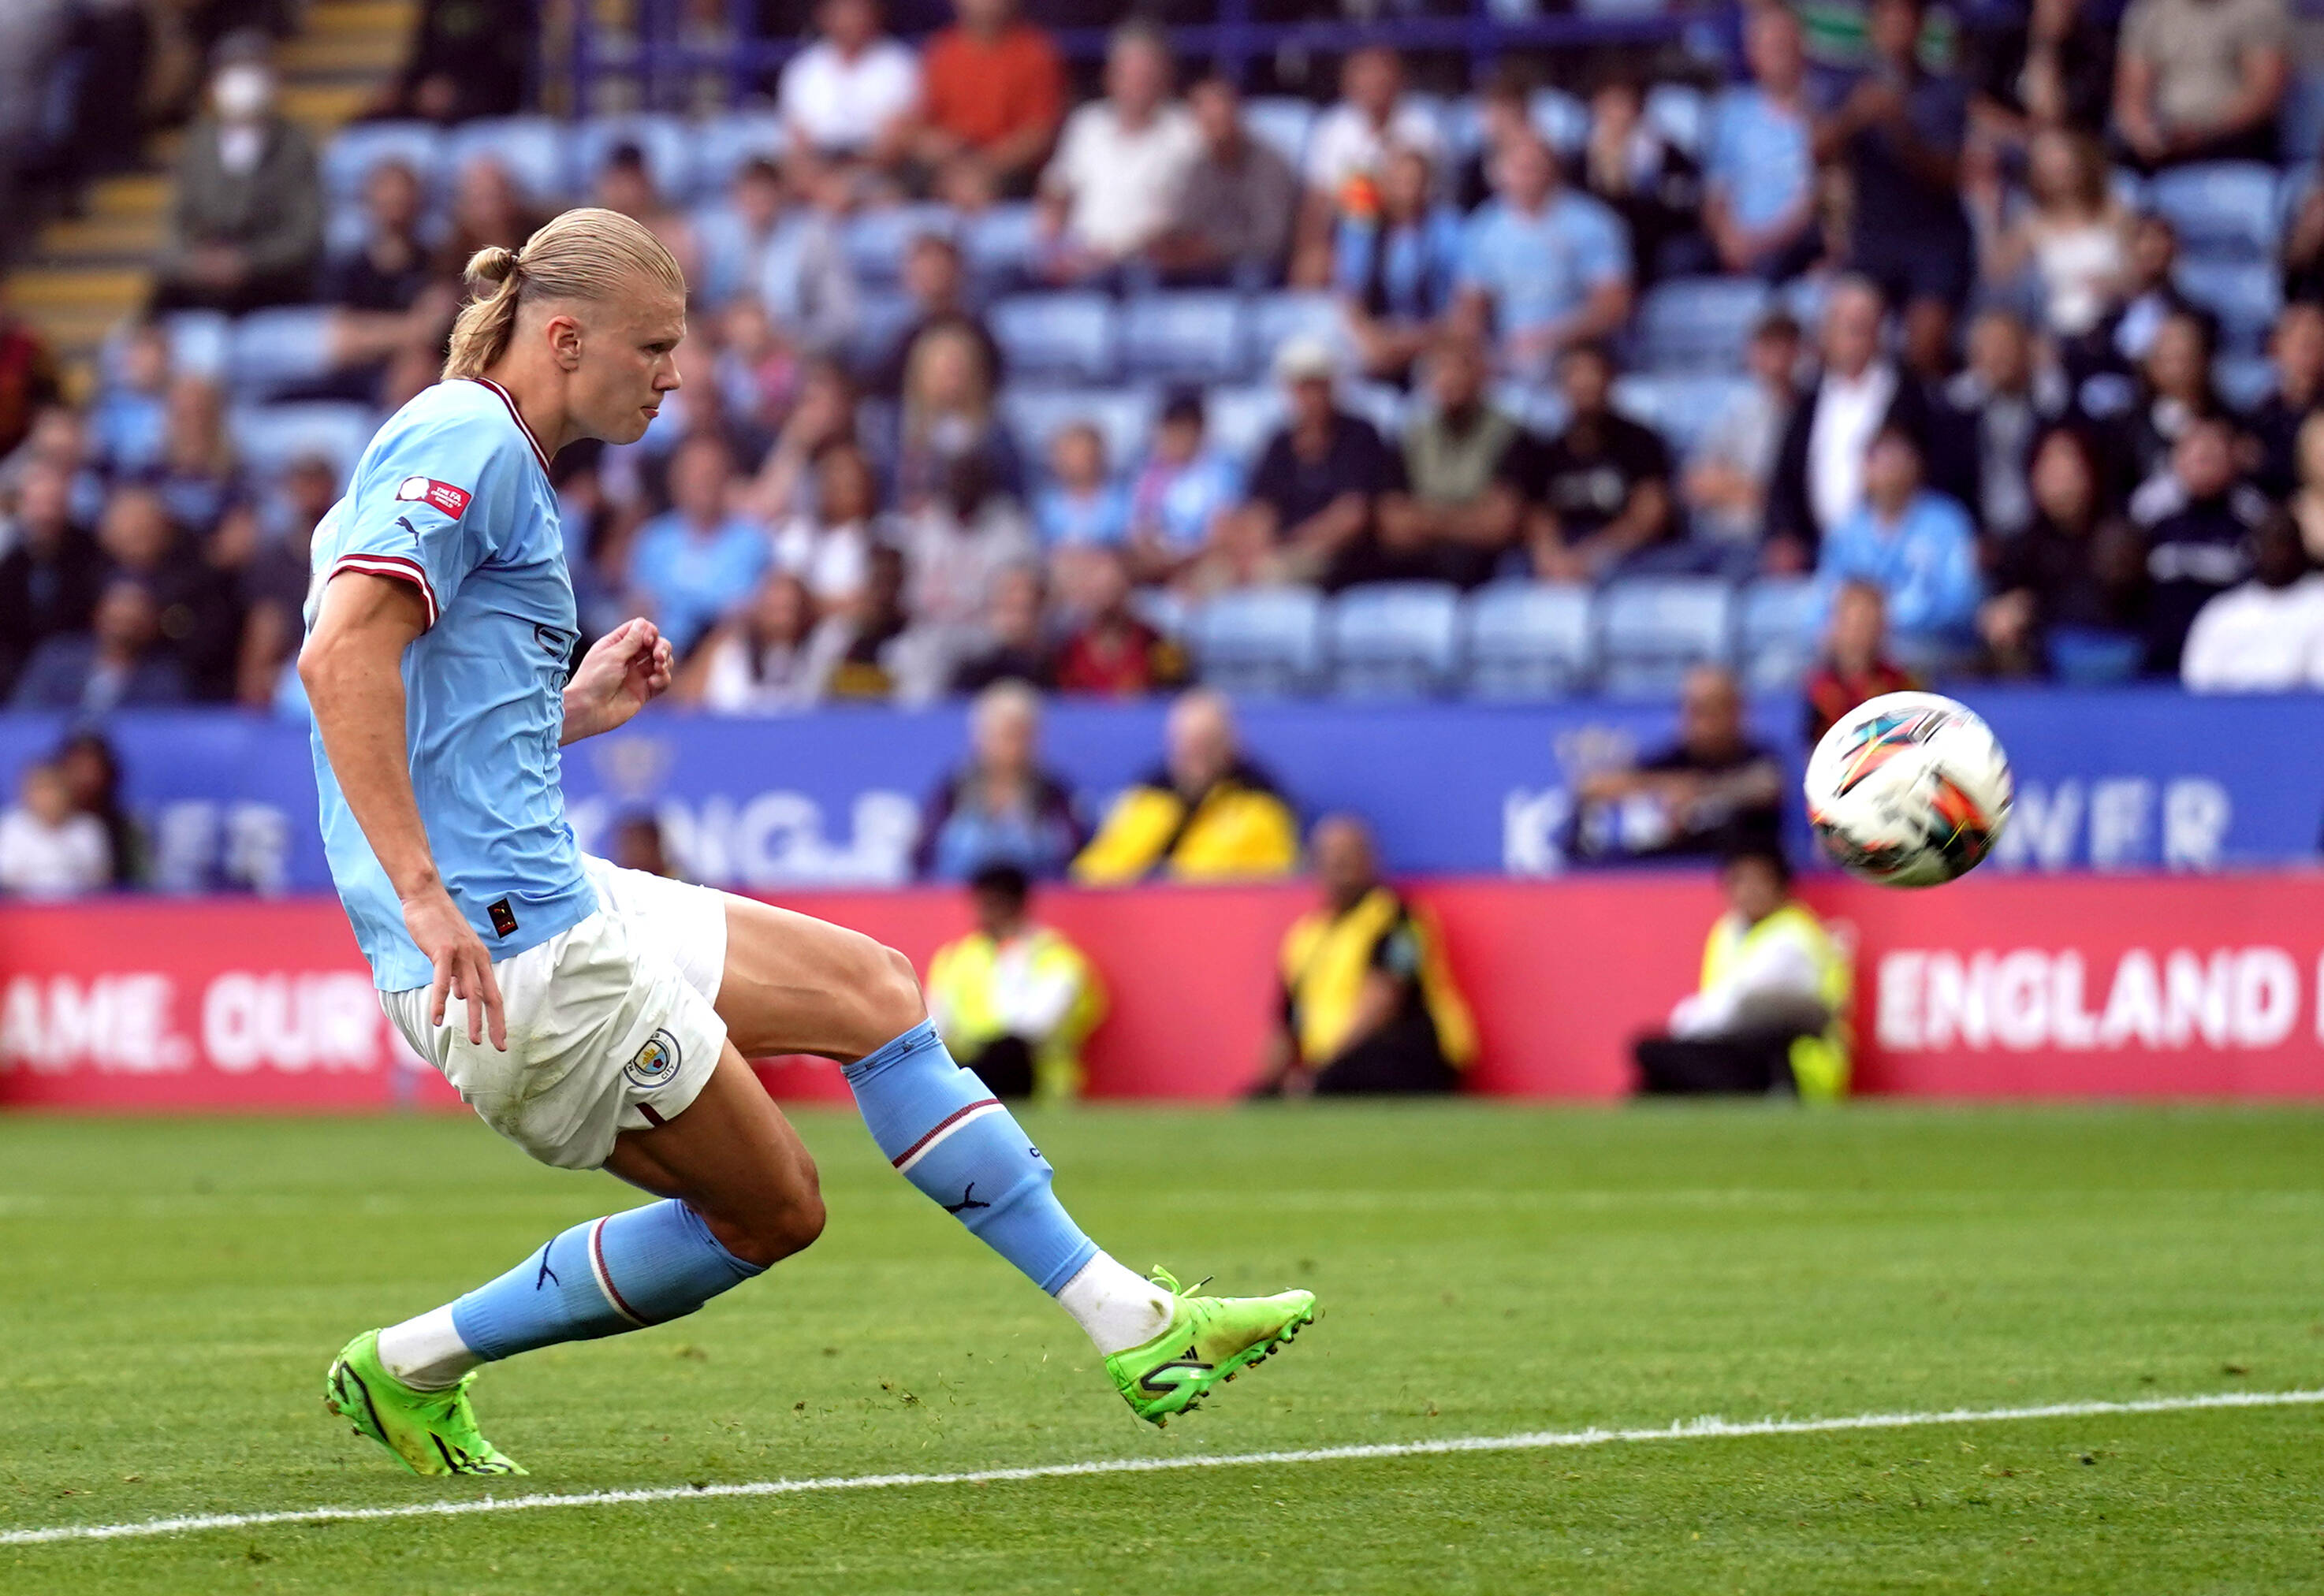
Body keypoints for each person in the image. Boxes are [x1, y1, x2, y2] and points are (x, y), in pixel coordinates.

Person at [298, 206, 1315, 1477]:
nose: (676, 375)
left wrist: (573, 710)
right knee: (773, 1208)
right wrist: (421, 893)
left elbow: (432, 718)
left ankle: (1134, 1319)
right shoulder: (468, 437)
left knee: (878, 989)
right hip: (515, 952)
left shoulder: (467, 445)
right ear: (563, 338)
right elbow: (340, 659)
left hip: (543, 901)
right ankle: (410, 1363)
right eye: (654, 347)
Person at [1248, 814, 1475, 1099]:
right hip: (1332, 1065)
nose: (1340, 866)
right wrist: (1268, 1084)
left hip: (1406, 1053)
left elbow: (1381, 1002)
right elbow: (1286, 1023)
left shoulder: (1397, 919)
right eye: (1330, 857)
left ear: (1371, 859)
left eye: (1349, 855)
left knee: (1353, 1072)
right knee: (1262, 1098)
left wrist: (1320, 1071)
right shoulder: (1306, 937)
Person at [1811, 0, 1974, 370]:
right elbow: (1817, 152)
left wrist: (1900, 129)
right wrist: (1855, 115)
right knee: (1842, 336)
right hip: (1874, 236)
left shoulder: (1946, 89)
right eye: (1888, 19)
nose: (1897, 30)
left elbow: (1948, 175)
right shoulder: (1849, 85)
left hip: (1934, 240)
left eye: (1905, 20)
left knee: (1924, 347)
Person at [1631, 845, 1849, 1101]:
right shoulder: (1728, 931)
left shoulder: (1794, 936)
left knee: (1653, 1053)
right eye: (1739, 880)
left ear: (1782, 887)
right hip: (1737, 1050)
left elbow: (1739, 1009)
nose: (1749, 890)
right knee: (1655, 1074)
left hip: (1796, 1070)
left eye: (1760, 881)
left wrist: (1686, 1020)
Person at [1764, 277, 1937, 567]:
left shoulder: (1911, 397)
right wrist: (1785, 536)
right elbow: (1785, 478)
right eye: (1843, 327)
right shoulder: (1807, 401)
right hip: (1814, 550)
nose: (1852, 340)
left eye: (1861, 328)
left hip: (1892, 550)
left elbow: (1926, 472)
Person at [151, 43, 322, 314]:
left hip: (273, 285)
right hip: (201, 283)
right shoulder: (199, 142)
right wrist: (198, 262)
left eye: (252, 68)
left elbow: (304, 232)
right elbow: (178, 222)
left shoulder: (294, 143)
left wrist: (248, 261)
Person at [1451, 133, 1632, 381]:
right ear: (1499, 173)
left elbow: (1614, 305)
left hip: (1577, 350)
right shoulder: (1483, 228)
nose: (1527, 178)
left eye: (1534, 168)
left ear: (1553, 171)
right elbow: (1470, 306)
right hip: (1507, 354)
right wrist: (1481, 350)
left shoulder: (1592, 222)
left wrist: (1550, 338)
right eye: (1518, 168)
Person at [1074, 688, 1299, 884]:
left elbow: (1275, 882)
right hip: (1134, 910)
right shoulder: (1146, 800)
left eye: (1206, 743)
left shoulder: (1262, 806)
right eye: (1186, 743)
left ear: (1230, 745)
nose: (1194, 755)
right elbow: (1093, 872)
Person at [1227, 337, 1399, 590]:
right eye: (1301, 387)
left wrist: (1290, 543)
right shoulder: (1280, 442)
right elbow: (1262, 508)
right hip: (1283, 549)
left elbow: (1352, 516)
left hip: (1338, 556)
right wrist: (1254, 544)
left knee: (1271, 575)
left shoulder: (1358, 435)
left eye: (1316, 385)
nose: (1309, 396)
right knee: (1217, 574)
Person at [927, 862, 1104, 1103]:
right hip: (971, 1076)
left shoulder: (1056, 958)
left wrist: (1012, 964)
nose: (982, 916)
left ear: (1017, 905)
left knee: (1009, 1051)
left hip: (1037, 1087)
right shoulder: (955, 957)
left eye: (992, 905)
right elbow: (937, 1028)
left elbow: (1034, 1027)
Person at [1036, 24, 1200, 285]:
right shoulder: (1087, 123)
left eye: (1147, 76)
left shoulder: (1187, 131)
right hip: (1081, 256)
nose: (1138, 85)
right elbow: (1057, 187)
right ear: (1110, 77)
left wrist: (1112, 255)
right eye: (1130, 75)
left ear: (1166, 78)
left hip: (1147, 265)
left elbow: (1186, 216)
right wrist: (1052, 242)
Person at [1979, 426, 2148, 677]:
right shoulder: (2021, 544)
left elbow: (2115, 610)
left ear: (2091, 472)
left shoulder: (2118, 537)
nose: (2061, 482)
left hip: (2115, 661)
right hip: (2044, 671)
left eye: (2070, 470)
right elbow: (2002, 606)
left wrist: (2034, 610)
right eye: (2051, 471)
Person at [1570, 665, 1783, 864]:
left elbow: (1767, 786)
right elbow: (1591, 787)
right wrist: (1665, 790)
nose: (1702, 722)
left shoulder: (1757, 757)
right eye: (1694, 710)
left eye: (1713, 709)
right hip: (1668, 877)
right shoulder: (1672, 759)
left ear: (1737, 711)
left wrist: (1700, 793)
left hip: (1734, 878)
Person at [1373, 331, 1527, 589]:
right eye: (1440, 370)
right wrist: (1467, 520)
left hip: (1484, 567)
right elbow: (1393, 526)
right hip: (1420, 560)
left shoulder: (1511, 436)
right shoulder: (1412, 437)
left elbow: (1498, 526)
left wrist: (1425, 520)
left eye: (1459, 369)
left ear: (1480, 375)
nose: (1449, 379)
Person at [1812, 425, 1981, 652]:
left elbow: (1960, 600)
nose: (1890, 471)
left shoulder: (1947, 522)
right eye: (1881, 461)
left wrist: (1882, 620)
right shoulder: (1846, 530)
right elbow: (1825, 599)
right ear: (1865, 469)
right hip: (1859, 650)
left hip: (1932, 645)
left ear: (1916, 466)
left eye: (1897, 460)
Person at [1518, 342, 1678, 581]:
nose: (1583, 384)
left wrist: (1592, 557)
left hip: (1628, 553)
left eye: (1592, 373)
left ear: (1610, 379)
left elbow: (1649, 515)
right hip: (1567, 549)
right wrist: (1549, 556)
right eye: (1574, 374)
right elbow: (1539, 515)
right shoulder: (1548, 450)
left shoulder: (1641, 442)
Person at [1292, 45, 1444, 287]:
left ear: (1399, 80)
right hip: (1351, 231)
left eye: (1381, 75)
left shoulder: (1424, 127)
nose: (1373, 83)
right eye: (1364, 74)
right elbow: (1317, 202)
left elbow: (1425, 198)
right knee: (1313, 266)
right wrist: (1314, 249)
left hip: (1412, 229)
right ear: (1348, 83)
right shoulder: (1332, 128)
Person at [914, 679, 1082, 880]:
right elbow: (923, 857)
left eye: (1022, 735)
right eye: (1005, 735)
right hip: (956, 895)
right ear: (980, 736)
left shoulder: (1054, 792)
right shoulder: (954, 787)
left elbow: (1077, 861)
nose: (1013, 746)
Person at [1973, 129, 2128, 345]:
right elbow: (1996, 274)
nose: (2057, 168)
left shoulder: (2113, 212)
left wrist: (2114, 284)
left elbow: (2140, 271)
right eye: (2048, 162)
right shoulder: (2032, 224)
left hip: (2116, 326)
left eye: (2062, 158)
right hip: (2058, 335)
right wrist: (1989, 214)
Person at [624, 433, 772, 657]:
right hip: (661, 656)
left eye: (711, 475)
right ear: (676, 481)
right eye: (695, 476)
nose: (704, 484)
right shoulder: (652, 540)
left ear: (727, 480)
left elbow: (748, 619)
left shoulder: (753, 543)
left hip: (724, 659)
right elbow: (639, 610)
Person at [2139, 417, 2266, 674]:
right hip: (2159, 652)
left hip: (2230, 654)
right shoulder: (2149, 511)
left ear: (2232, 460)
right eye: (2197, 456)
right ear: (2177, 460)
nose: (2204, 465)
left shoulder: (2254, 516)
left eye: (2212, 456)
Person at [907, 0, 1065, 207]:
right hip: (950, 164)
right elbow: (919, 124)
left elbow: (1039, 134)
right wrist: (938, 150)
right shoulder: (940, 49)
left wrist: (984, 168)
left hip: (1009, 170)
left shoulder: (1037, 52)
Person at [1149, 75, 1298, 288]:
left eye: (1220, 118)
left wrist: (1215, 249)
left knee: (1250, 274)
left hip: (1253, 264)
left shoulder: (1269, 165)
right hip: (1205, 264)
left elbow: (1271, 240)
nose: (1215, 126)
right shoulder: (1198, 169)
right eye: (1208, 121)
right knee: (1145, 272)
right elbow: (1188, 225)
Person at [1704, 5, 1819, 281]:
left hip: (1792, 243)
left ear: (1801, 48)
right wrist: (1728, 238)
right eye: (1767, 47)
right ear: (1751, 54)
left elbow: (1816, 198)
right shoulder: (1731, 111)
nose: (1777, 56)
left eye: (1782, 46)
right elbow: (1716, 192)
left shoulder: (1822, 112)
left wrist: (1762, 243)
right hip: (1734, 241)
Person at [1334, 145, 1466, 383]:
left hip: (1430, 338)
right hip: (1377, 339)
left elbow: (1460, 303)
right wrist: (1372, 339)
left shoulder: (1447, 229)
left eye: (1414, 181)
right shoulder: (1361, 227)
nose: (1407, 190)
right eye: (1399, 181)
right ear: (1384, 183)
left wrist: (1413, 342)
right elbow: (1350, 297)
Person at [2113, 0, 2288, 170]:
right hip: (2164, 142)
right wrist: (2146, 139)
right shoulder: (2149, 9)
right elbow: (2131, 97)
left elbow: (2262, 95)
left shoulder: (2259, 7)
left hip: (2234, 142)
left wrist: (2202, 132)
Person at [1939, 308, 2065, 539]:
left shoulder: (2055, 410)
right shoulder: (1955, 415)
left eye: (2005, 346)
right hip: (1975, 533)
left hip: (2043, 535)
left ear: (2026, 350)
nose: (1998, 356)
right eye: (1988, 348)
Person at [778, 0, 921, 200]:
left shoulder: (899, 64)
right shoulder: (803, 68)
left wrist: (848, 180)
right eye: (842, 11)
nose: (850, 19)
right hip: (819, 167)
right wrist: (821, 181)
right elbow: (798, 142)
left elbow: (895, 144)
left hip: (876, 169)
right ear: (824, 16)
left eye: (857, 10)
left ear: (874, 14)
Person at [1685, 311, 1802, 552]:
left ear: (1799, 353)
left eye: (1782, 349)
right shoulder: (1736, 412)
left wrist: (1736, 487)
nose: (1775, 360)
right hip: (1718, 539)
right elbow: (1696, 484)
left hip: (1776, 541)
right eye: (1767, 348)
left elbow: (1791, 498)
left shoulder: (1809, 413)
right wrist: (1752, 491)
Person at [1577, 74, 1703, 285]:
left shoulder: (1665, 153)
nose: (1617, 114)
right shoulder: (1581, 157)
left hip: (1652, 240)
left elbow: (1681, 204)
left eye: (1624, 104)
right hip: (1600, 244)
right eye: (1609, 104)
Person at [2180, 512, 2324, 690]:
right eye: (2267, 543)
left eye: (2283, 542)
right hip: (2232, 707)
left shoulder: (2319, 603)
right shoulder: (2223, 611)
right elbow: (2197, 680)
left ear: (2301, 547)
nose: (2276, 553)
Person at [0, 460, 103, 698]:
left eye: (54, 504)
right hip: (15, 661)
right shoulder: (11, 558)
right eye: (37, 504)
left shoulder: (90, 553)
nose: (45, 514)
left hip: (74, 657)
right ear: (22, 506)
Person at [9, 579, 189, 712]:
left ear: (152, 626)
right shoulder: (57, 658)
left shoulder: (165, 678)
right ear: (98, 616)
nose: (124, 631)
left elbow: (169, 729)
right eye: (117, 620)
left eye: (133, 622)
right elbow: (22, 715)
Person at [1125, 390, 1239, 582]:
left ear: (1200, 432)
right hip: (1159, 557)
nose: (1175, 441)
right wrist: (1156, 555)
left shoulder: (1222, 470)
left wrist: (1184, 562)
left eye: (1183, 432)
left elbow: (1222, 532)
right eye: (1170, 433)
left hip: (1204, 558)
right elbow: (1140, 527)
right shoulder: (1152, 470)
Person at [868, 233, 996, 400]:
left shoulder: (978, 334)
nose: (932, 274)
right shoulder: (902, 337)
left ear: (958, 271)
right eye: (923, 268)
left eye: (938, 267)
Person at [1050, 546, 1187, 697]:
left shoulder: (1157, 646)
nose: (1104, 599)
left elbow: (1174, 696)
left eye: (1111, 587)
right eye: (1096, 590)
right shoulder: (1067, 655)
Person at [685, 571, 826, 712]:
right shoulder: (731, 647)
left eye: (786, 609)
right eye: (771, 608)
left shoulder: (820, 650)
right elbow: (688, 700)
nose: (778, 620)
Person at [1804, 579, 1920, 742]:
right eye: (1853, 623)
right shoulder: (1814, 688)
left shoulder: (1902, 685)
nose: (1860, 633)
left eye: (1868, 623)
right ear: (1835, 625)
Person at [0, 761, 110, 901]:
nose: (49, 797)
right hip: (23, 908)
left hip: (79, 907)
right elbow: (6, 880)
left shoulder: (88, 827)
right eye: (41, 789)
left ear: (69, 792)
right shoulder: (10, 827)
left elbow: (101, 880)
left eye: (54, 789)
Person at [2245, 302, 2324, 498]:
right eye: (2304, 345)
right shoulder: (2258, 419)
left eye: (2317, 344)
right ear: (2276, 347)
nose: (2309, 355)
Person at [948, 562, 1052, 692]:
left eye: (1023, 608)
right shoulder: (972, 672)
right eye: (1008, 607)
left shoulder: (1059, 669)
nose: (1015, 619)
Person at [1033, 421, 1129, 550]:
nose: (1074, 463)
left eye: (1082, 454)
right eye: (1066, 455)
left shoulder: (1122, 500)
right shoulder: (1046, 505)